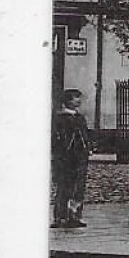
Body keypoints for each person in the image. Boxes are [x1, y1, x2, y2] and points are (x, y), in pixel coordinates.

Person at [51, 88, 93, 228]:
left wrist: (88, 148)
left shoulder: (80, 118)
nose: (79, 100)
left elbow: (85, 135)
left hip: (80, 156)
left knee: (78, 187)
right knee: (64, 186)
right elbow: (58, 139)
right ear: (68, 100)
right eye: (75, 98)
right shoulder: (60, 118)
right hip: (66, 157)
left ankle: (74, 215)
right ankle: (60, 216)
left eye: (79, 98)